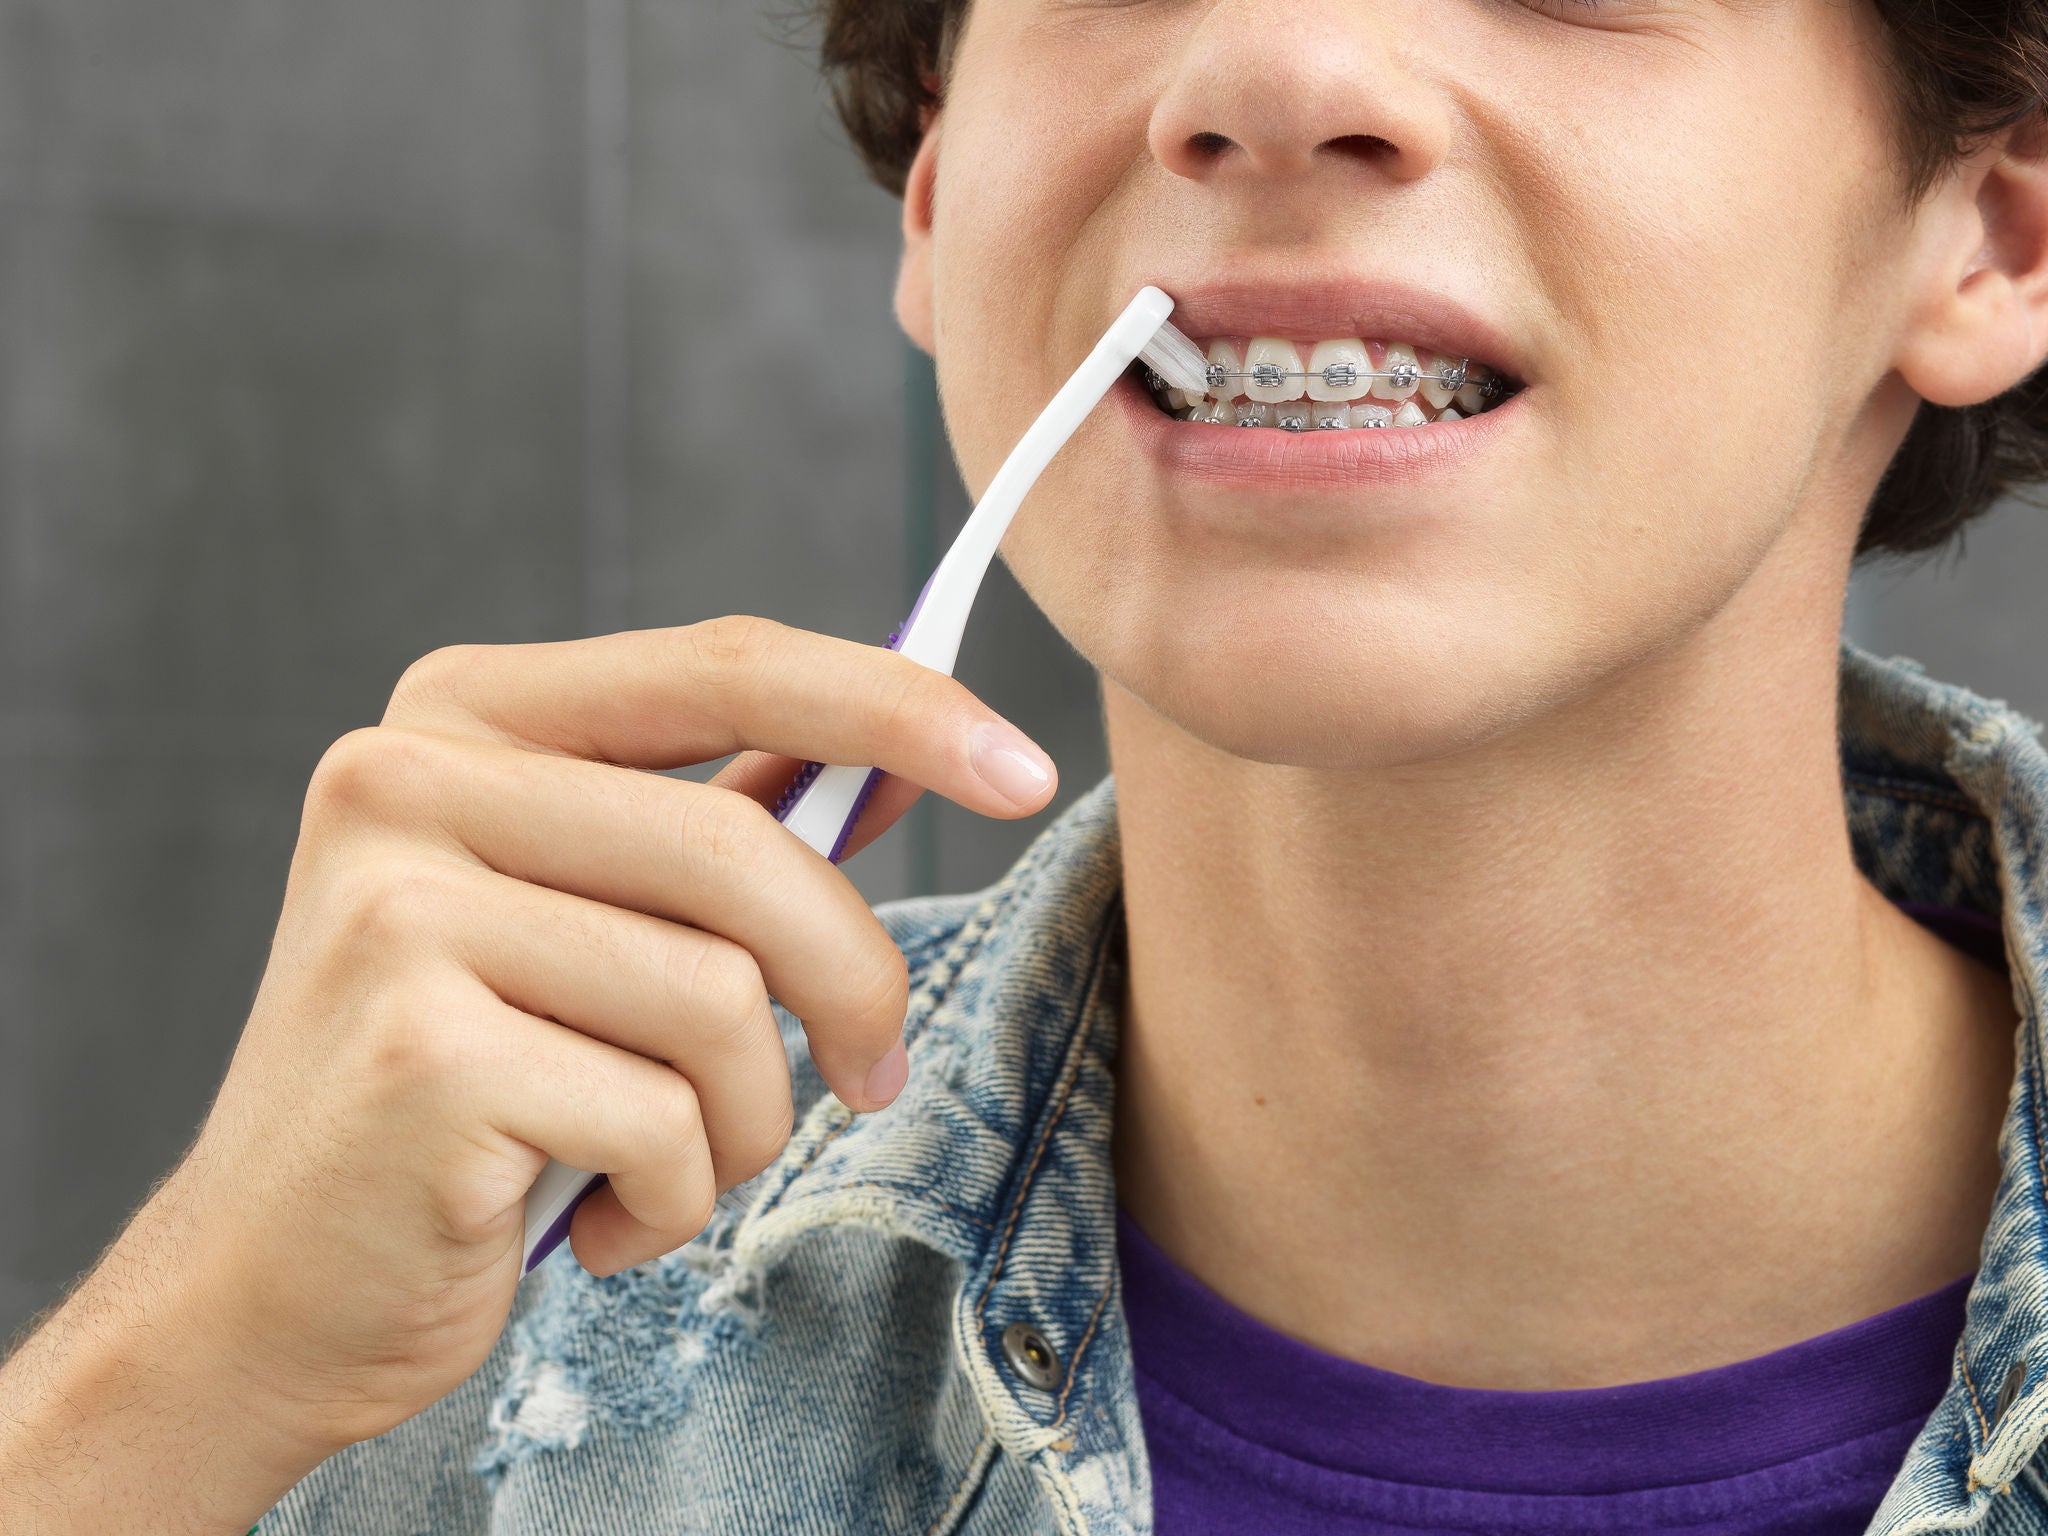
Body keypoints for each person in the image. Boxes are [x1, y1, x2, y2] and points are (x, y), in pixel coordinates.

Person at [8, 0, 2048, 1530]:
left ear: (1992, 238)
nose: (1269, 69)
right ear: (932, 192)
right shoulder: (479, 1333)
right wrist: (175, 1386)